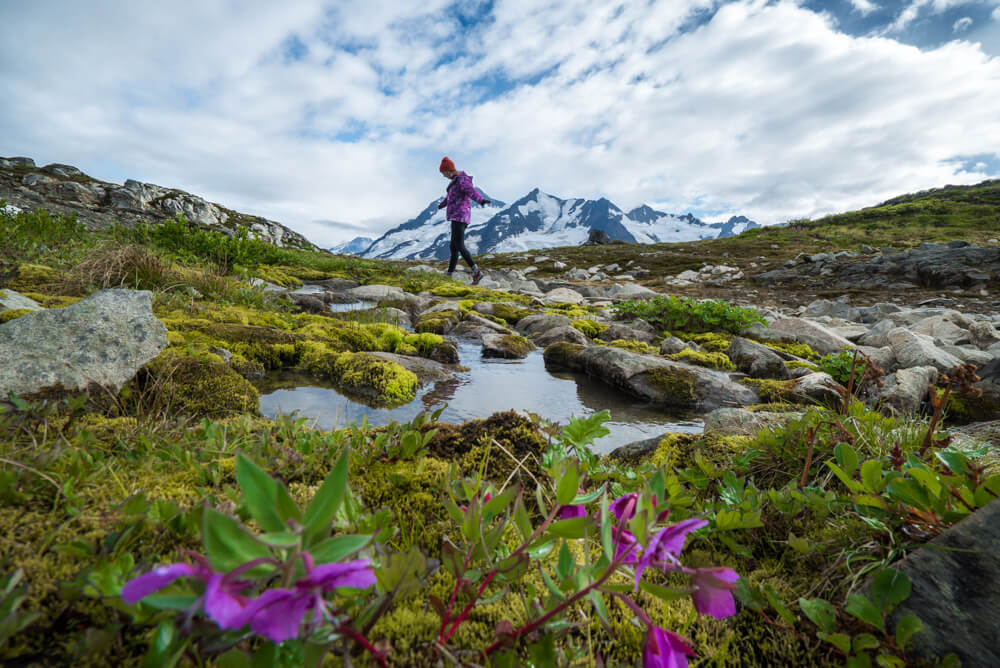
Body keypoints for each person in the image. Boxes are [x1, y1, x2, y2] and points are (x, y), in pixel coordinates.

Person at [438, 156, 490, 284]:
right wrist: (442, 204)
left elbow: (471, 191)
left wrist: (481, 200)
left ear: (450, 170)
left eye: (444, 174)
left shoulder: (462, 180)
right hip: (456, 215)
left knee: (459, 245)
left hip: (460, 215)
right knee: (453, 247)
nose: (444, 176)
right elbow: (450, 197)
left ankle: (476, 272)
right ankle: (449, 274)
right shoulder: (455, 182)